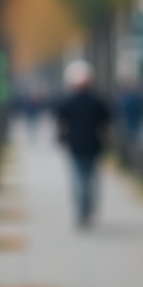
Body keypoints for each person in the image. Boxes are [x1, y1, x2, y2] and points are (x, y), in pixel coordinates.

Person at [55, 61, 110, 227]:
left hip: (75, 145)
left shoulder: (68, 101)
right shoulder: (98, 101)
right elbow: (106, 124)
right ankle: (89, 209)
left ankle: (81, 211)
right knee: (92, 179)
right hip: (94, 144)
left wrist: (61, 140)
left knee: (77, 179)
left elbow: (61, 124)